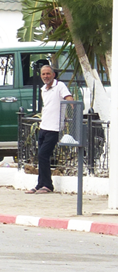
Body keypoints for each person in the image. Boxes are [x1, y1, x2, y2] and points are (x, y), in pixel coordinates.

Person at [26, 65, 72, 195]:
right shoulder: (43, 89)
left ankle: (48, 185)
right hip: (44, 126)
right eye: (43, 74)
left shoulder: (60, 86)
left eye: (48, 74)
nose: (45, 76)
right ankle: (40, 184)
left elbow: (69, 99)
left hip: (54, 128)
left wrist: (73, 110)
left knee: (43, 155)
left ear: (53, 75)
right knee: (40, 157)